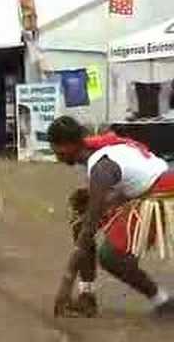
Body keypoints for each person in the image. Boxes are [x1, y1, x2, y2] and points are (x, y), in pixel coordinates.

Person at [47, 116, 174, 318]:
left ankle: (162, 300)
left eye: (57, 151)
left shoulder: (101, 167)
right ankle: (87, 295)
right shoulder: (101, 153)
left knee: (110, 256)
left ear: (69, 145)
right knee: (81, 215)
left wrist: (66, 280)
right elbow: (127, 182)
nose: (57, 157)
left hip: (162, 194)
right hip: (147, 189)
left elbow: (90, 227)